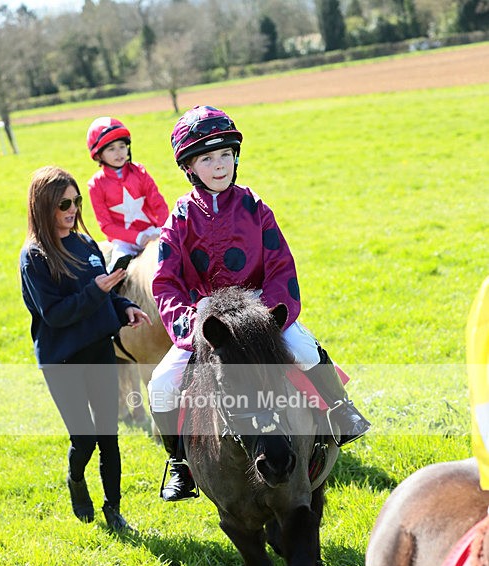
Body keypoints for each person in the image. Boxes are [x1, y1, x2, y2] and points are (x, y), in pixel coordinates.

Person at [148, 104, 370, 501]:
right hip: (206, 319)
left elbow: (282, 267)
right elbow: (166, 283)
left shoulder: (256, 208)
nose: (220, 166)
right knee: (160, 384)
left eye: (226, 155)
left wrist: (266, 317)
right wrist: (189, 326)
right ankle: (180, 460)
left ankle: (339, 409)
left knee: (304, 348)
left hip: (259, 311)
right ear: (189, 167)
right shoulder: (179, 218)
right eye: (207, 158)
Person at [20, 165, 151, 530]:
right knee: (86, 439)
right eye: (64, 203)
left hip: (98, 350)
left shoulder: (87, 244)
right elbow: (56, 314)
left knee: (109, 436)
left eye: (76, 201)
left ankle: (114, 510)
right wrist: (99, 290)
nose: (73, 210)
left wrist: (125, 308)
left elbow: (103, 298)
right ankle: (76, 480)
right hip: (63, 361)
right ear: (43, 207)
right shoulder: (35, 258)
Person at [86, 116, 169, 270]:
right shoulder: (95, 185)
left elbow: (159, 204)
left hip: (151, 232)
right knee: (116, 267)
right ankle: (113, 292)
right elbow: (106, 226)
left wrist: (158, 230)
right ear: (98, 155)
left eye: (122, 146)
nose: (119, 153)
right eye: (111, 149)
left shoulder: (140, 172)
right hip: (124, 242)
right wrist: (137, 237)